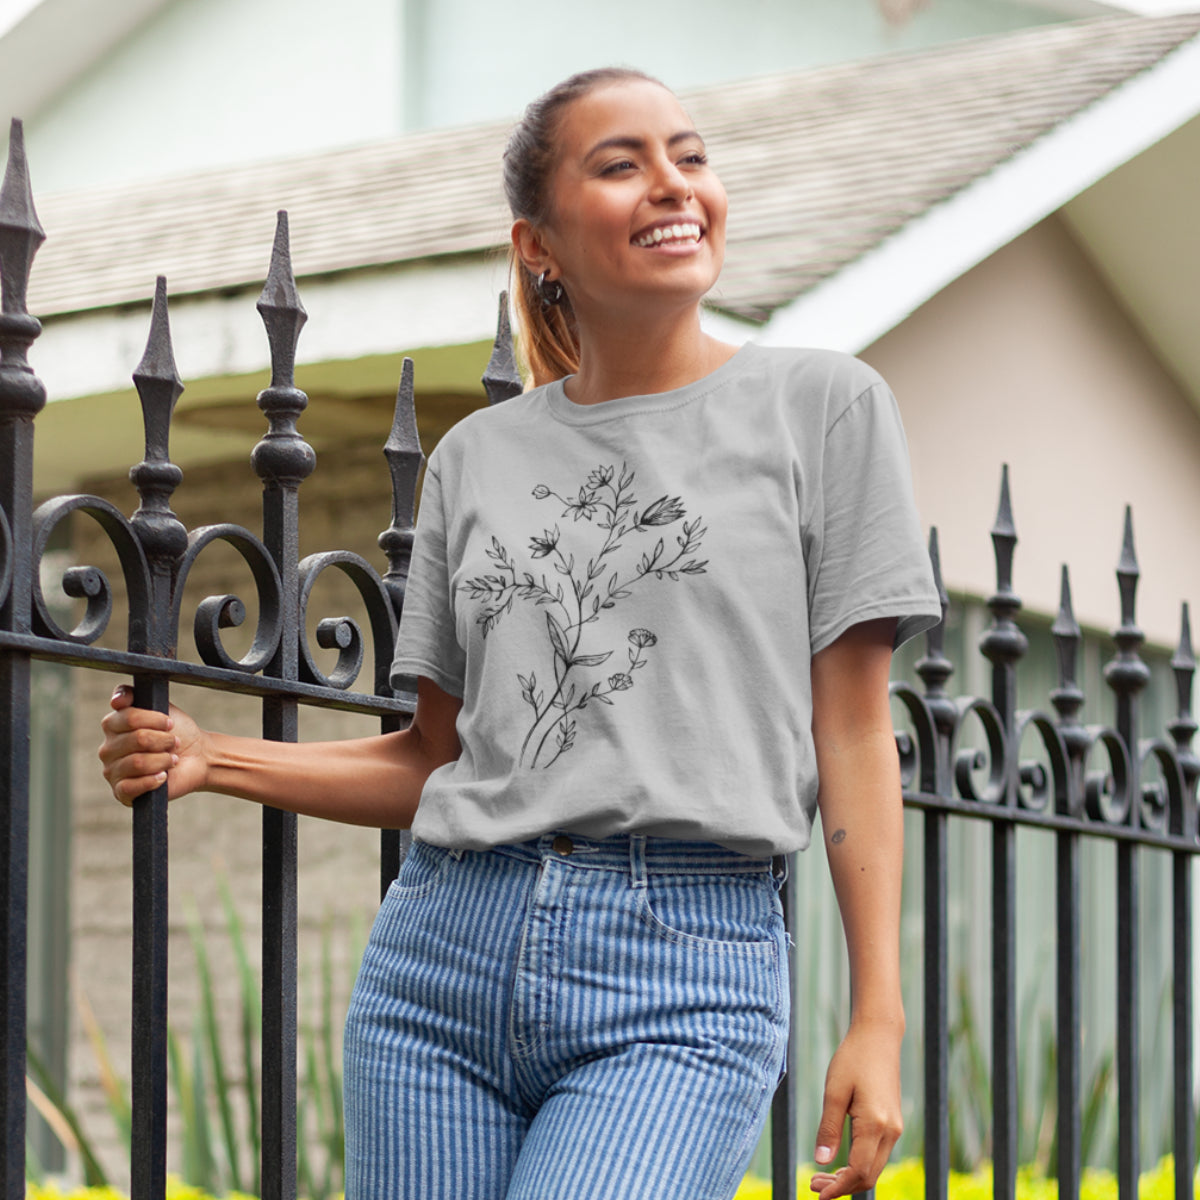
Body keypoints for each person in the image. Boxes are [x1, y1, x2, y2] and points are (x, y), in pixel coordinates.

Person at [100, 67, 941, 1200]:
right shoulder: (475, 460)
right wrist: (216, 759)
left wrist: (877, 1014)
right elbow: (438, 761)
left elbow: (852, 737)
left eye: (689, 157)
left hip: (683, 975)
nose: (672, 185)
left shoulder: (825, 410)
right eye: (621, 164)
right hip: (441, 963)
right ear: (536, 243)